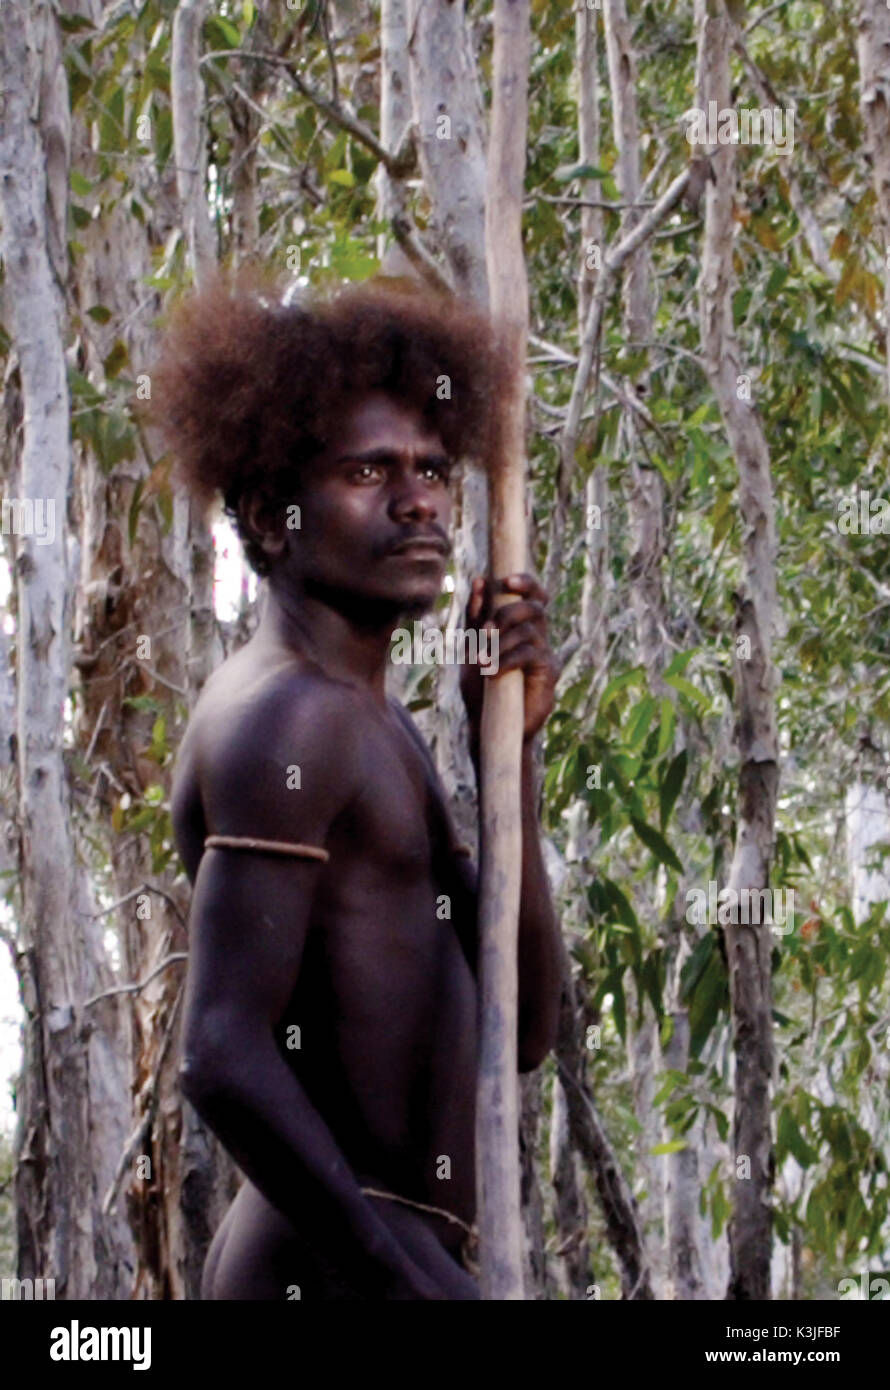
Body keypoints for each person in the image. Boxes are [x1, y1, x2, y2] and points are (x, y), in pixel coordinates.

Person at [150, 273, 562, 1300]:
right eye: (370, 470)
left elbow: (528, 1024)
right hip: (324, 1273)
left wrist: (500, 747)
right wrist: (419, 1284)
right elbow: (222, 1053)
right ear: (272, 519)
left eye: (429, 470)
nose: (418, 499)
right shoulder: (287, 717)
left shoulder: (374, 722)